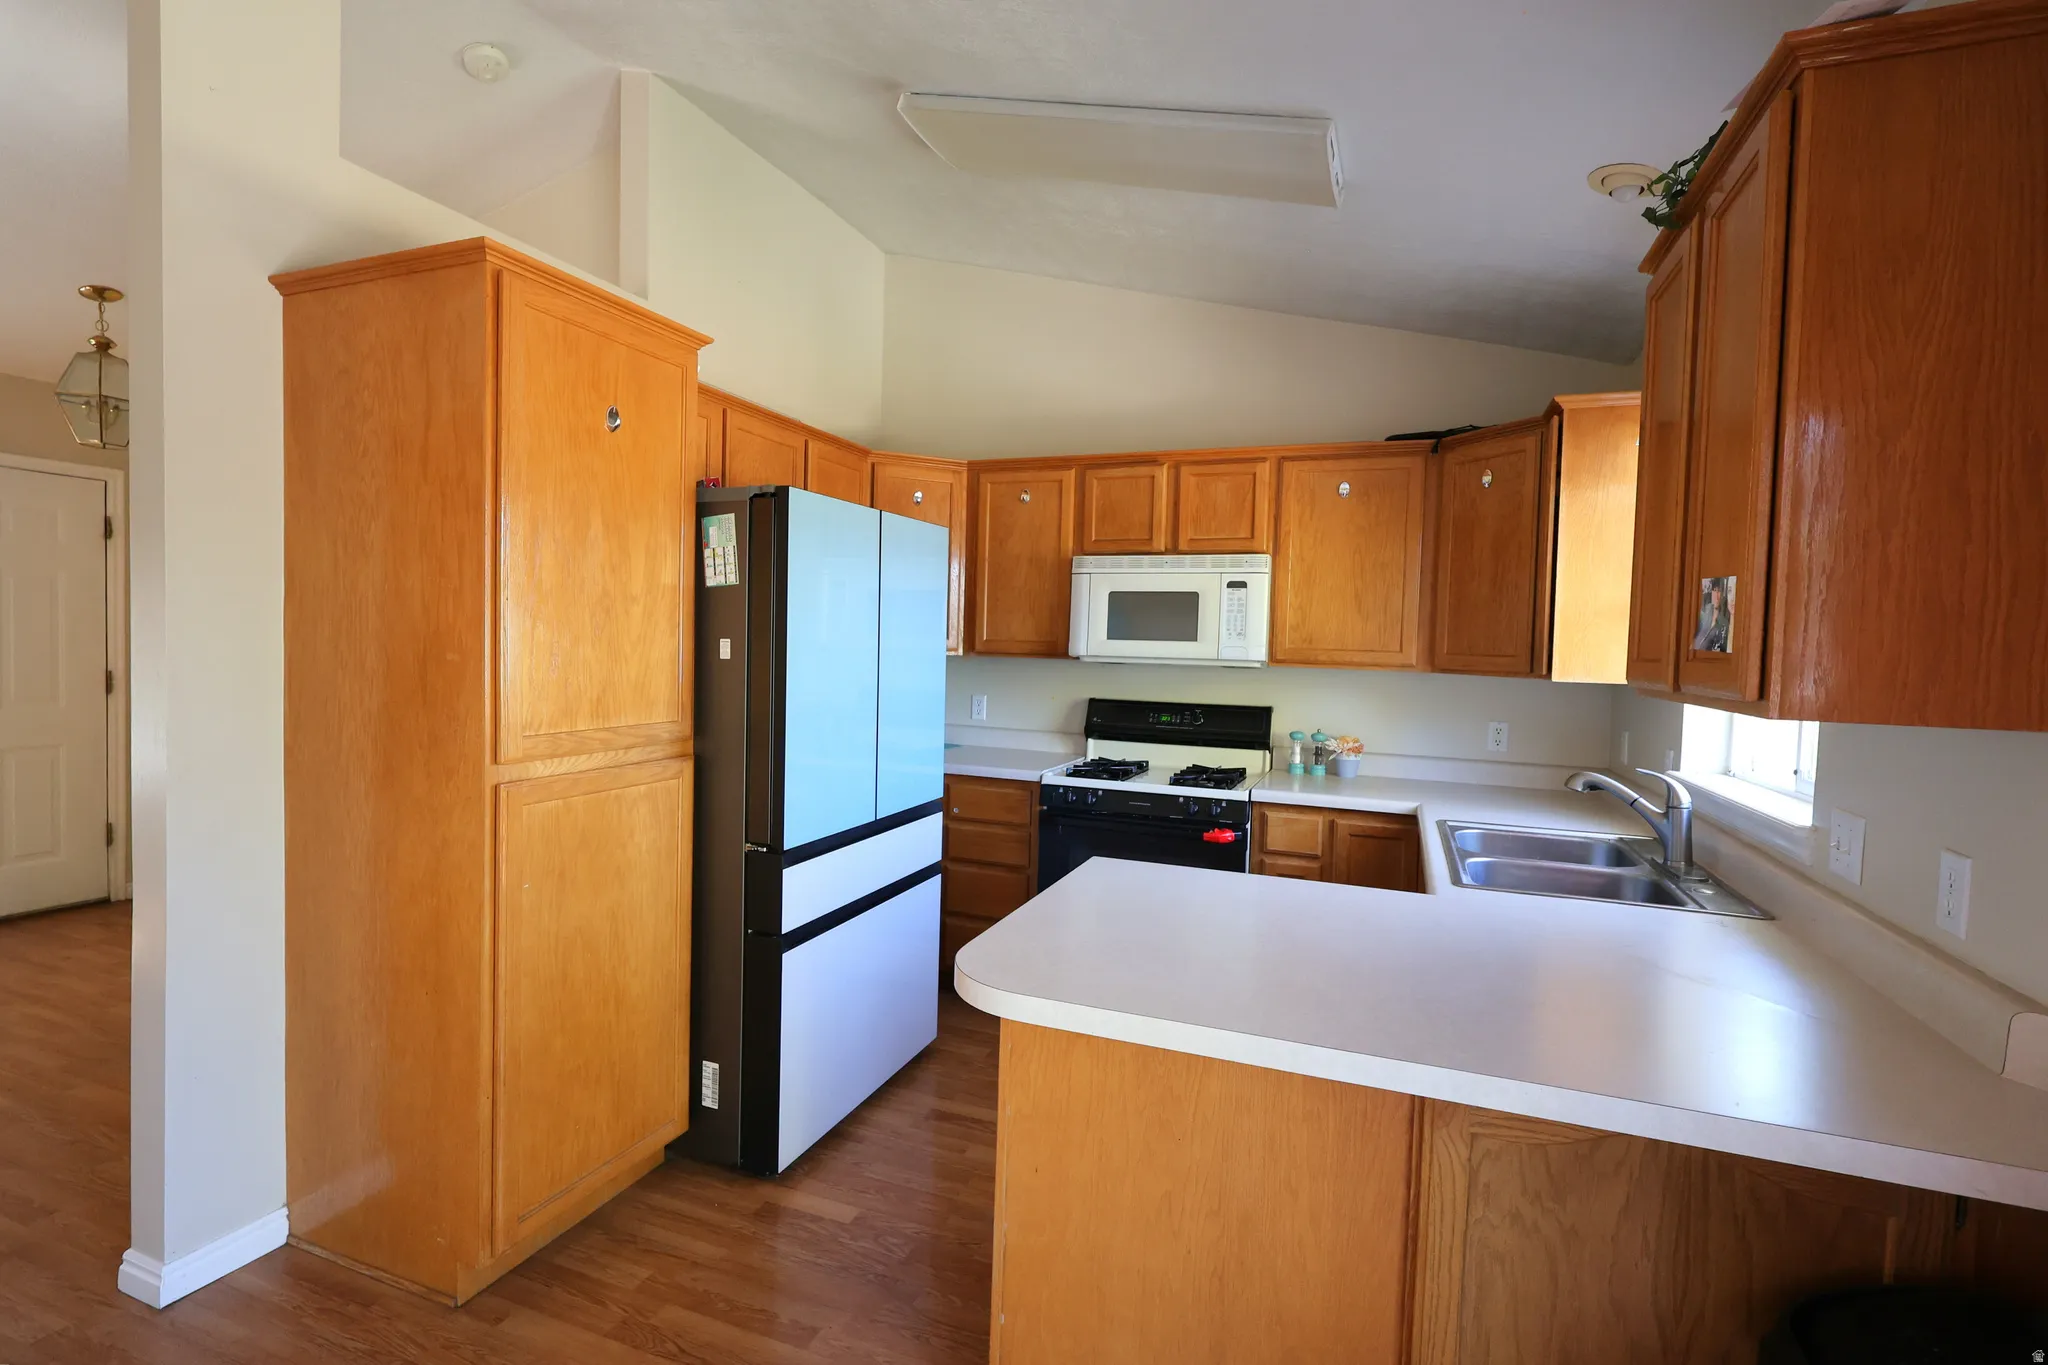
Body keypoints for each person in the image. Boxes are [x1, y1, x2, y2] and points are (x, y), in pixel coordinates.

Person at [1693, 578, 1733, 653]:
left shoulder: (1724, 624)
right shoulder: (1704, 611)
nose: (1717, 595)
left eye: (1719, 591)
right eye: (1715, 590)